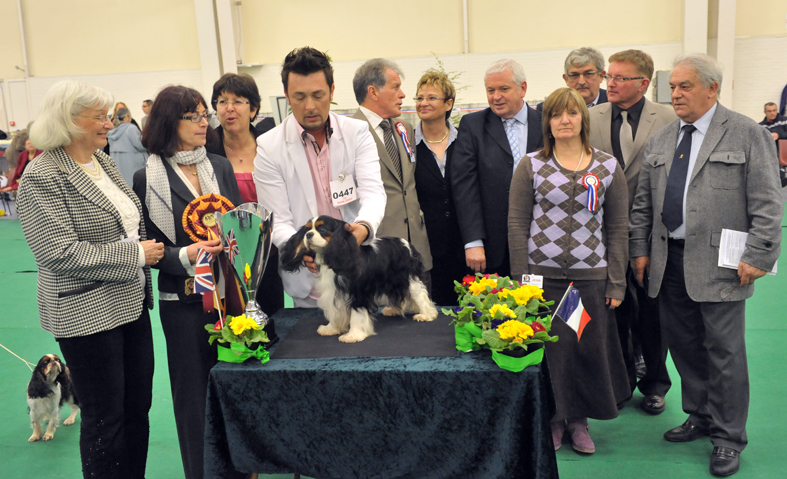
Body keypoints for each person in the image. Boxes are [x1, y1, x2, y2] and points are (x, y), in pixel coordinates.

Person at [629, 53, 783, 477]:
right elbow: (643, 203)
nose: (676, 94)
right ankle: (699, 415)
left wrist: (759, 253)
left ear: (712, 88)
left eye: (685, 86)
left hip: (724, 264)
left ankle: (728, 437)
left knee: (725, 352)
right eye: (672, 87)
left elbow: (768, 201)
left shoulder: (747, 133)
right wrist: (640, 250)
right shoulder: (662, 139)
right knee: (685, 347)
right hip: (668, 261)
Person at [16, 80, 163, 479]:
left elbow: (126, 223)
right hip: (85, 313)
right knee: (104, 417)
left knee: (136, 409)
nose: (109, 123)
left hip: (131, 304)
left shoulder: (102, 162)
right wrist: (136, 255)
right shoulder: (42, 175)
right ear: (68, 120)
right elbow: (58, 252)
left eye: (108, 115)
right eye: (99, 116)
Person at [508, 87, 630, 455]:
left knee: (583, 351)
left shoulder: (607, 167)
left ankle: (579, 422)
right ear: (546, 122)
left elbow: (617, 228)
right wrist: (521, 281)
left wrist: (616, 282)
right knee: (551, 353)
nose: (564, 120)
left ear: (583, 119)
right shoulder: (531, 165)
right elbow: (517, 223)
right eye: (556, 114)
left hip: (588, 279)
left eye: (572, 113)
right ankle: (554, 420)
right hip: (541, 280)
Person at [132, 86, 243, 479]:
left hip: (230, 296)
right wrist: (186, 255)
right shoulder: (146, 177)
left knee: (234, 386)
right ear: (169, 122)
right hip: (182, 303)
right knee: (193, 397)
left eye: (203, 115)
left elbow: (237, 223)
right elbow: (149, 247)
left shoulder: (220, 166)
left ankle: (240, 469)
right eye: (192, 116)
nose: (203, 123)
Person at [254, 47, 386, 307]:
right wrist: (302, 248)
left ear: (332, 91)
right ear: (287, 96)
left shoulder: (357, 133)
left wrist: (363, 228)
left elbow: (373, 192)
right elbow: (277, 219)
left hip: (358, 271)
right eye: (299, 97)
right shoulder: (269, 146)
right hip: (308, 286)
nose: (310, 106)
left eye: (318, 95)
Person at [588, 49, 677, 414]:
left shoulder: (668, 118)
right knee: (613, 312)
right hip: (600, 234)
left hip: (652, 234)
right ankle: (621, 382)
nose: (610, 83)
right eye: (609, 76)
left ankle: (655, 383)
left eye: (620, 78)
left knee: (653, 313)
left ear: (643, 83)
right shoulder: (590, 117)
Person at [451, 59, 543, 278]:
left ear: (523, 88)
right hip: (491, 248)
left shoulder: (546, 124)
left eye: (503, 89)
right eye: (490, 90)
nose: (496, 97)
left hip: (540, 242)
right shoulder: (472, 125)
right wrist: (473, 241)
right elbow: (464, 186)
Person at [207, 72, 285, 316]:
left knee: (272, 319)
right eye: (222, 101)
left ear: (253, 109)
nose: (229, 108)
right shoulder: (207, 150)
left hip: (269, 251)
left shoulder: (271, 146)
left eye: (238, 101)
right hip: (226, 256)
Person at [351, 58, 433, 286]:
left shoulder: (404, 128)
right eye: (395, 87)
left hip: (417, 251)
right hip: (378, 254)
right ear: (373, 92)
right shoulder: (349, 133)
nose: (403, 94)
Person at [413, 69, 464, 305]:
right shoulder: (407, 145)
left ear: (448, 104)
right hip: (425, 248)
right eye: (420, 98)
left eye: (431, 97)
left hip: (464, 245)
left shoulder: (465, 141)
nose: (423, 103)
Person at [535, 47, 608, 112]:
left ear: (601, 76)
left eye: (588, 74)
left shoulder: (612, 104)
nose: (581, 82)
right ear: (566, 79)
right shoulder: (547, 108)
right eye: (574, 75)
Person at [107, 107, 149, 186]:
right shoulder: (131, 128)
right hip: (133, 168)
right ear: (126, 117)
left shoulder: (111, 131)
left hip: (118, 169)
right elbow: (141, 146)